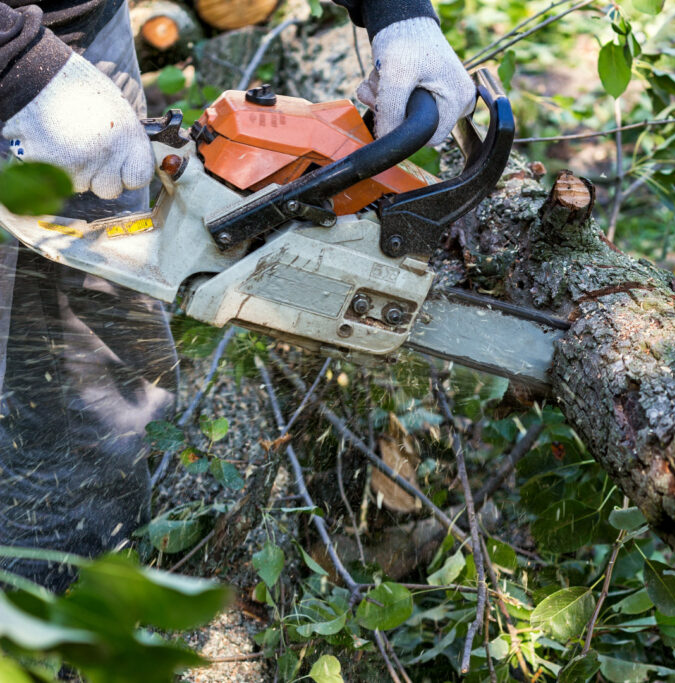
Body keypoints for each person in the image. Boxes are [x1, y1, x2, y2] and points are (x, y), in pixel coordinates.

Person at [0, 0, 476, 592]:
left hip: (78, 32)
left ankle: (75, 605)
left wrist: (398, 14)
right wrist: (16, 67)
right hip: (23, 59)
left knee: (95, 401)